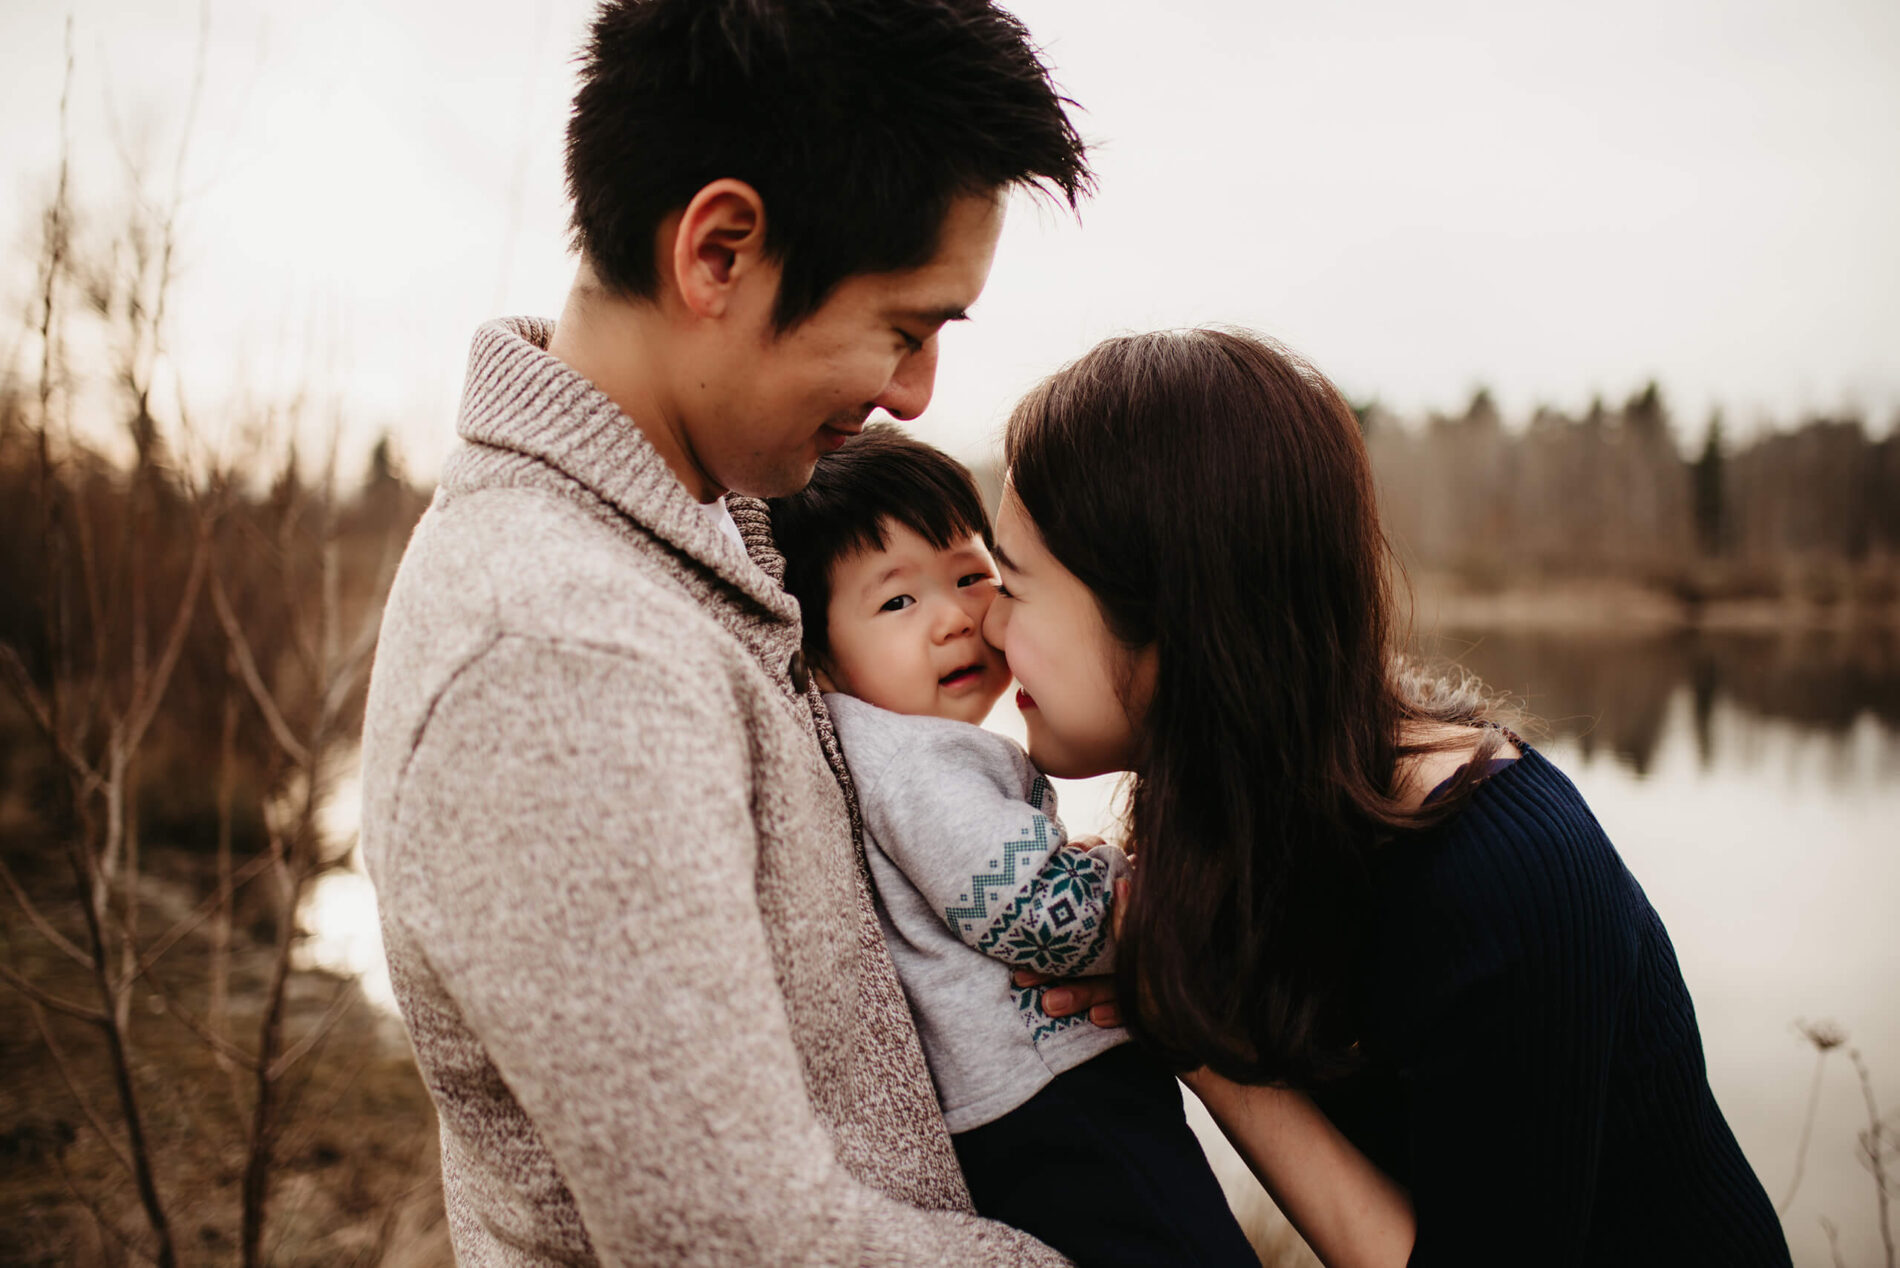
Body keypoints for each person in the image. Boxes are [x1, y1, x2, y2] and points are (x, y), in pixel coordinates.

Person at [357, 2, 1107, 1262]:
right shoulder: (562, 657)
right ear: (720, 252)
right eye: (904, 326)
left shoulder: (710, 543)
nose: (916, 392)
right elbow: (744, 1240)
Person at [981, 328, 1793, 1266]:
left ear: (1167, 614)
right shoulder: (1245, 798)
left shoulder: (1500, 880)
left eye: (1015, 584)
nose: (991, 625)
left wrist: (1188, 1031)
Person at [767, 425, 1258, 1266]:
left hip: (1026, 1100)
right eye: (897, 602)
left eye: (970, 577)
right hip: (1054, 1100)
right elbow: (1031, 910)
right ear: (821, 655)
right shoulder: (914, 761)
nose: (954, 619)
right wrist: (1152, 893)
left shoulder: (882, 750)